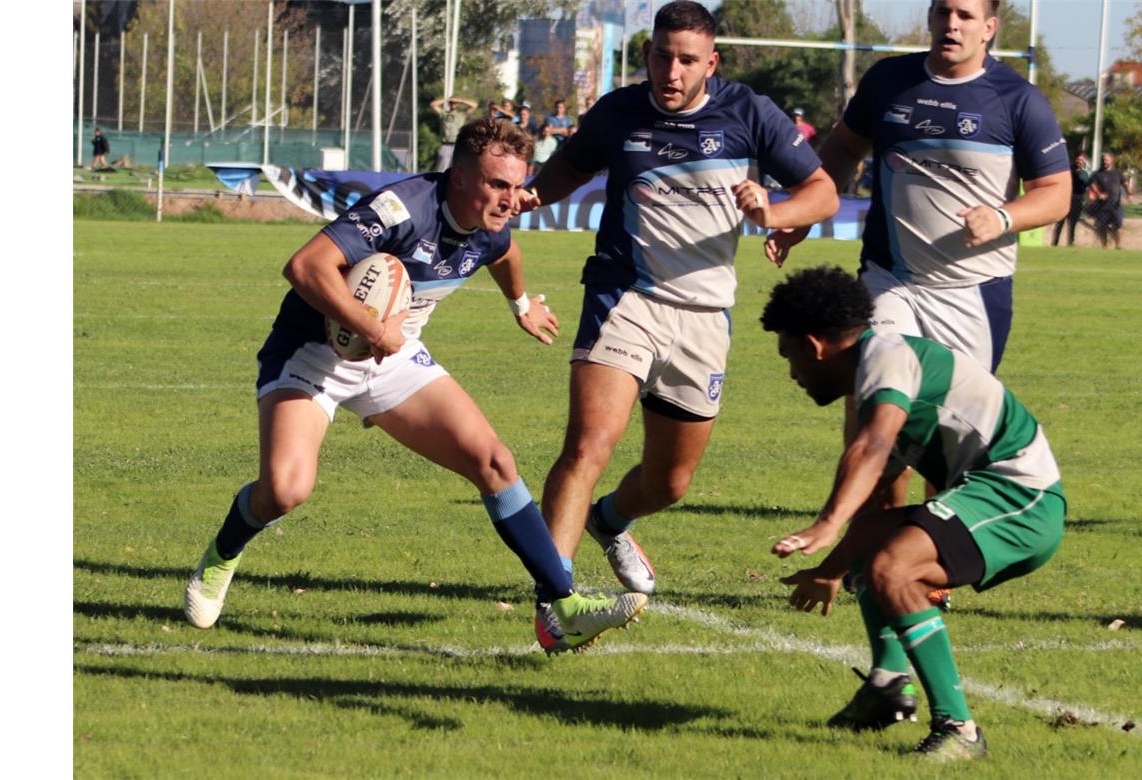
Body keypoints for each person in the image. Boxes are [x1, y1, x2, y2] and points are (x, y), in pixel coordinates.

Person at [182, 119, 647, 653]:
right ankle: (222, 553)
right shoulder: (403, 209)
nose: (509, 199)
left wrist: (521, 304)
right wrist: (371, 326)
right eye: (497, 184)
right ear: (458, 176)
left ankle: (564, 605)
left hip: (394, 360)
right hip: (313, 356)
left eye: (516, 186)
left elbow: (506, 254)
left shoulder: (494, 221)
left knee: (494, 462)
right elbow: (305, 265)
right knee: (285, 491)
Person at [763, 0, 1070, 728]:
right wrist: (807, 214)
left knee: (946, 463)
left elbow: (1055, 194)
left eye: (966, 13)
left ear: (992, 25)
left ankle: (918, 586)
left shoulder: (1017, 100)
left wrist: (1005, 216)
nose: (951, 23)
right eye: (941, 10)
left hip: (972, 294)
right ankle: (889, 672)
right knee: (873, 450)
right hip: (890, 285)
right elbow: (838, 155)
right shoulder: (890, 83)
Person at [516, 0, 839, 650]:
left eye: (687, 59)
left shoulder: (748, 114)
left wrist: (773, 213)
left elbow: (824, 193)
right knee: (588, 446)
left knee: (670, 482)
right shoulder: (619, 112)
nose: (672, 69)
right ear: (648, 55)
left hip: (703, 317)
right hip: (624, 296)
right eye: (662, 55)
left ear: (710, 63)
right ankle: (556, 602)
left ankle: (611, 521)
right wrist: (520, 195)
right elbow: (563, 174)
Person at [762, 265, 1064, 762]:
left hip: (1020, 500)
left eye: (788, 355)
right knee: (875, 543)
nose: (792, 373)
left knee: (892, 566)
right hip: (993, 495)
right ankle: (886, 683)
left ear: (814, 346)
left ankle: (960, 730)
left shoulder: (885, 355)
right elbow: (873, 500)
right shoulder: (879, 374)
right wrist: (830, 570)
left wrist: (826, 524)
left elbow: (873, 444)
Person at [1087, 152, 1128, 249]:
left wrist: (1129, 193)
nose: (1104, 161)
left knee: (1118, 226)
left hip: (1116, 205)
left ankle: (1118, 245)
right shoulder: (1097, 174)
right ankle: (1104, 246)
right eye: (1103, 159)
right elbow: (1092, 184)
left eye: (1106, 159)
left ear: (1111, 160)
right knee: (1102, 227)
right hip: (1102, 206)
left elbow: (1125, 183)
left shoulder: (1118, 172)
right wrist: (1099, 194)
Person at [429, 95, 478, 171]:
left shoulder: (462, 114)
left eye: (455, 103)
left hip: (458, 145)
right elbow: (433, 105)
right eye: (452, 103)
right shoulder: (444, 114)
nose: (453, 104)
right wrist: (447, 100)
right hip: (446, 145)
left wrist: (461, 100)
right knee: (441, 170)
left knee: (458, 170)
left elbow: (474, 105)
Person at [1052, 153, 1091, 246]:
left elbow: (1085, 186)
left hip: (1077, 200)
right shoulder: (1068, 171)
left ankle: (1070, 242)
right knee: (1059, 223)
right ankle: (1054, 242)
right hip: (1065, 199)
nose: (1079, 162)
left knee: (1072, 224)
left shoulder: (1085, 174)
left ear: (1084, 162)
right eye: (1078, 160)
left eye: (1081, 160)